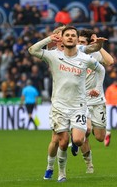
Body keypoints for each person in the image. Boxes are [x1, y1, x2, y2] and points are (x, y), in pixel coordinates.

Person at [28, 26, 105, 182]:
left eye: (73, 35)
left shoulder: (84, 57)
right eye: (67, 35)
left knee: (77, 140)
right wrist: (50, 38)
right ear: (61, 38)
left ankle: (73, 148)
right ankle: (60, 173)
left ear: (77, 39)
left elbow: (101, 68)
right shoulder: (53, 56)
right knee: (61, 142)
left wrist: (97, 87)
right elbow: (32, 50)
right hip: (59, 107)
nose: (70, 37)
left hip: (78, 106)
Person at [78, 29, 114, 173]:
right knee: (84, 131)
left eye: (82, 42)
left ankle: (105, 131)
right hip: (80, 101)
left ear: (88, 43)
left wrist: (99, 45)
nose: (78, 44)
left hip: (97, 100)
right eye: (77, 41)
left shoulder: (94, 54)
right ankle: (89, 164)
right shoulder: (73, 55)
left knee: (99, 137)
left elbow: (110, 62)